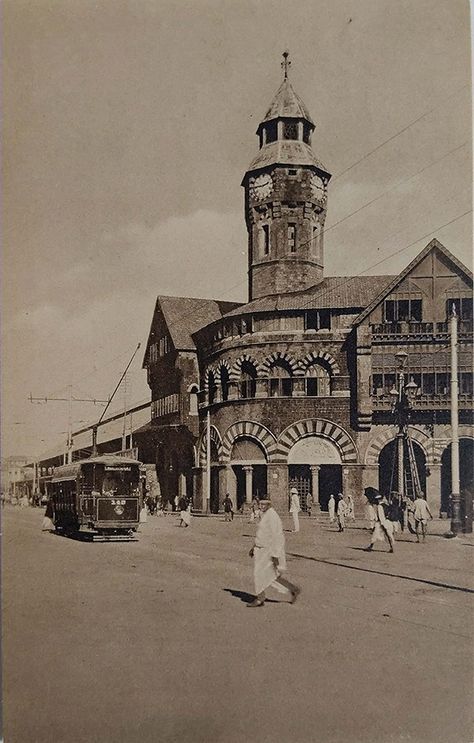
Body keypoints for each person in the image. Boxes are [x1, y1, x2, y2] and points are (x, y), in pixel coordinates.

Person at [247, 496, 301, 607]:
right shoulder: (265, 515)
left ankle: (260, 598)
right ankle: (293, 589)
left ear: (269, 505)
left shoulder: (272, 516)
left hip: (268, 551)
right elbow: (262, 533)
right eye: (260, 504)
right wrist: (253, 547)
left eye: (264, 504)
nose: (261, 506)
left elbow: (278, 537)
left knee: (261, 575)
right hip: (260, 549)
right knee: (270, 576)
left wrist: (275, 555)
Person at [364, 488, 395, 553]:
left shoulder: (379, 506)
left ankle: (371, 546)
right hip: (388, 521)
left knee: (375, 534)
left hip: (381, 523)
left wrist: (383, 524)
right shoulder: (386, 505)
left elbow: (381, 516)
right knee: (389, 535)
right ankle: (392, 547)